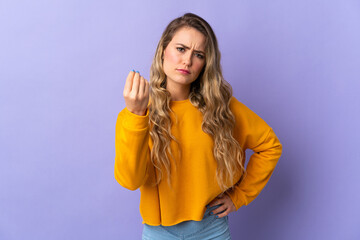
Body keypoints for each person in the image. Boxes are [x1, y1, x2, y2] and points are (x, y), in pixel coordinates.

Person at [114, 12, 282, 240]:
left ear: (205, 63)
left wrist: (239, 196)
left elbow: (270, 145)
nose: (187, 61)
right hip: (158, 233)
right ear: (164, 50)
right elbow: (130, 181)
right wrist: (136, 115)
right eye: (181, 49)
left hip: (211, 228)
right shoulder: (137, 113)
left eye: (198, 54)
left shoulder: (221, 108)